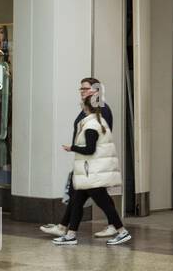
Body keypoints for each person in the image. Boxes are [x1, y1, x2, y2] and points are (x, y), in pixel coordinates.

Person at [52, 79, 130, 246]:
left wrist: (72, 147)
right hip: (88, 168)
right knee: (77, 199)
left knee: (102, 202)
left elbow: (90, 148)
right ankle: (69, 234)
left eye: (85, 89)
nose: (81, 91)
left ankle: (121, 231)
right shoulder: (96, 119)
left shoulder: (93, 123)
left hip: (92, 169)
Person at [41, 78, 118, 238]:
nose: (82, 91)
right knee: (79, 195)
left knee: (92, 196)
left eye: (86, 88)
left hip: (91, 162)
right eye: (81, 89)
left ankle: (115, 227)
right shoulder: (89, 108)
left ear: (96, 90)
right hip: (85, 161)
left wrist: (78, 150)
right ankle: (65, 228)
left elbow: (102, 136)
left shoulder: (101, 108)